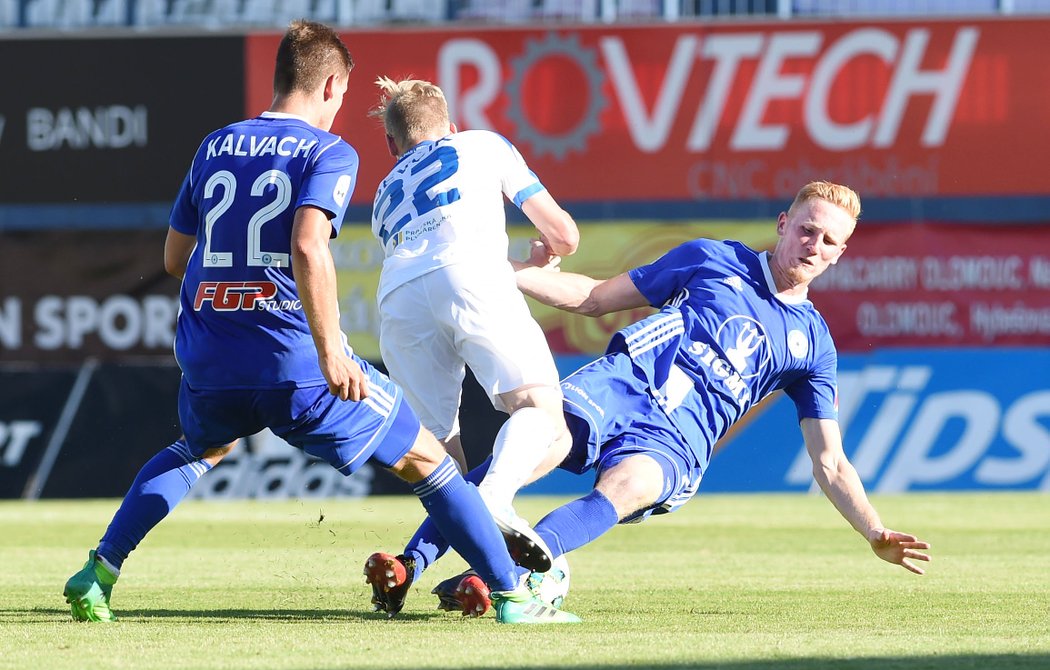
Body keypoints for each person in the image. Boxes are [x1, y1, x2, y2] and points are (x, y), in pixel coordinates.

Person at [61, 21, 579, 626]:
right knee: (431, 462)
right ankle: (514, 595)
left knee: (197, 449)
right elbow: (310, 246)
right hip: (294, 359)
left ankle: (98, 572)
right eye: (340, 96)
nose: (338, 109)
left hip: (209, 350)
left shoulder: (215, 144)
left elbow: (175, 259)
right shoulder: (327, 152)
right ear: (330, 83)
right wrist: (333, 352)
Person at [368, 181, 931, 617]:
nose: (814, 245)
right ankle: (409, 563)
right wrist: (505, 270)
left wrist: (874, 530)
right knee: (523, 451)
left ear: (840, 255)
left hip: (679, 441)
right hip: (621, 385)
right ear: (784, 224)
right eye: (808, 229)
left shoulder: (814, 346)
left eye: (829, 241)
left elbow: (829, 461)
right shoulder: (711, 258)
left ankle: (502, 580)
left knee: (630, 487)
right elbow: (593, 298)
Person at [368, 77, 579, 571]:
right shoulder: (482, 143)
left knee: (439, 459)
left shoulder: (383, 191)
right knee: (544, 417)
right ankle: (495, 500)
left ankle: (479, 575)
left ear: (391, 144)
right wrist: (546, 253)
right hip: (470, 276)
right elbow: (565, 234)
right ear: (452, 124)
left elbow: (429, 257)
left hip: (397, 298)